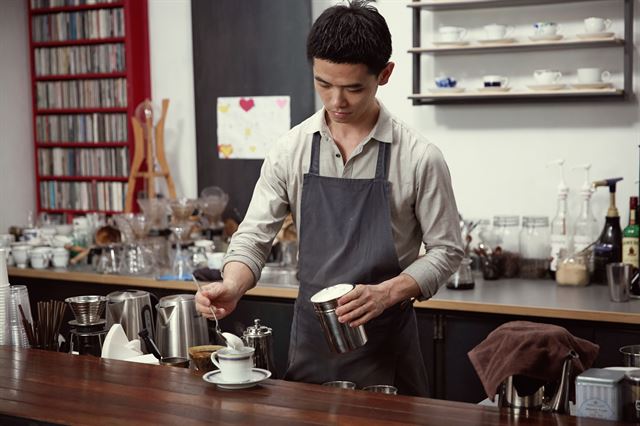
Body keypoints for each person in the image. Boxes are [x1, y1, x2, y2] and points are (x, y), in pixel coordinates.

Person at [195, 0, 463, 397]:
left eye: (353, 87)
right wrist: (232, 285)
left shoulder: (420, 157)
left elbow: (447, 250)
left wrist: (386, 293)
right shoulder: (291, 150)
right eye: (323, 83)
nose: (336, 101)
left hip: (387, 348)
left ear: (384, 75)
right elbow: (253, 236)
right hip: (312, 347)